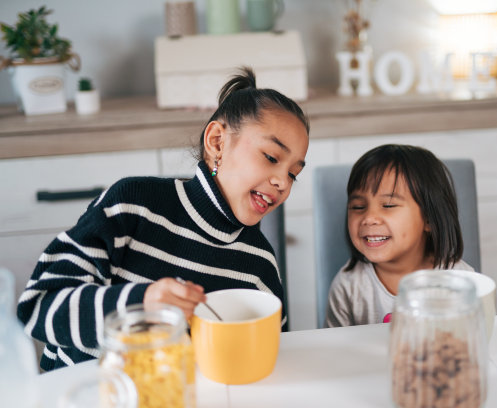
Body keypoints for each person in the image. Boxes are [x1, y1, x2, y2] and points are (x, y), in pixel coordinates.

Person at [17, 67, 310, 371]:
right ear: (217, 142)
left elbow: (273, 356)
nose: (282, 182)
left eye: (293, 174)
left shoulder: (260, 265)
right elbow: (38, 307)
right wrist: (142, 305)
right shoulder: (133, 204)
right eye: (272, 157)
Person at [325, 144, 473, 327]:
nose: (369, 218)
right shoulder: (348, 286)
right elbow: (335, 349)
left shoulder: (461, 280)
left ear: (429, 219)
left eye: (388, 205)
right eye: (358, 207)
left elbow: (475, 341)